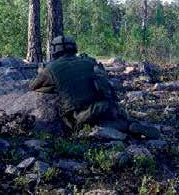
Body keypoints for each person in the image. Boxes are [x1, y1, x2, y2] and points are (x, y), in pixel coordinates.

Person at [30, 36, 160, 139]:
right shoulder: (88, 61)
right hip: (105, 105)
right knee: (112, 116)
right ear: (74, 48)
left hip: (81, 114)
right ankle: (130, 124)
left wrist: (42, 72)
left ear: (55, 50)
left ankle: (124, 127)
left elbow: (33, 87)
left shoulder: (51, 68)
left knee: (85, 126)